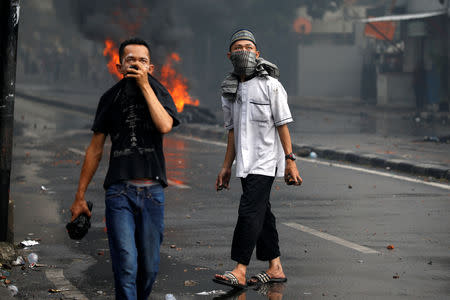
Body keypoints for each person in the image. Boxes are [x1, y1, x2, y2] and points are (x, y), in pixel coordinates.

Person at [70, 37, 180, 299]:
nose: (137, 64)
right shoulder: (110, 98)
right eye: (131, 60)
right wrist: (79, 196)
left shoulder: (160, 92)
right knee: (126, 263)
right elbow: (95, 150)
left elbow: (165, 125)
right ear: (119, 66)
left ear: (151, 67)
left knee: (150, 267)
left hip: (153, 193)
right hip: (119, 193)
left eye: (143, 61)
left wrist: (145, 87)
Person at [214, 29, 302, 289]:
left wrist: (290, 160)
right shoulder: (230, 90)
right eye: (238, 47)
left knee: (249, 211)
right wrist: (226, 166)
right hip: (244, 163)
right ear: (230, 55)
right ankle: (275, 267)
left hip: (265, 162)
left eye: (248, 47)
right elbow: (232, 132)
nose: (244, 51)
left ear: (257, 54)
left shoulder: (271, 85)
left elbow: (282, 124)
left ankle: (239, 269)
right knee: (263, 213)